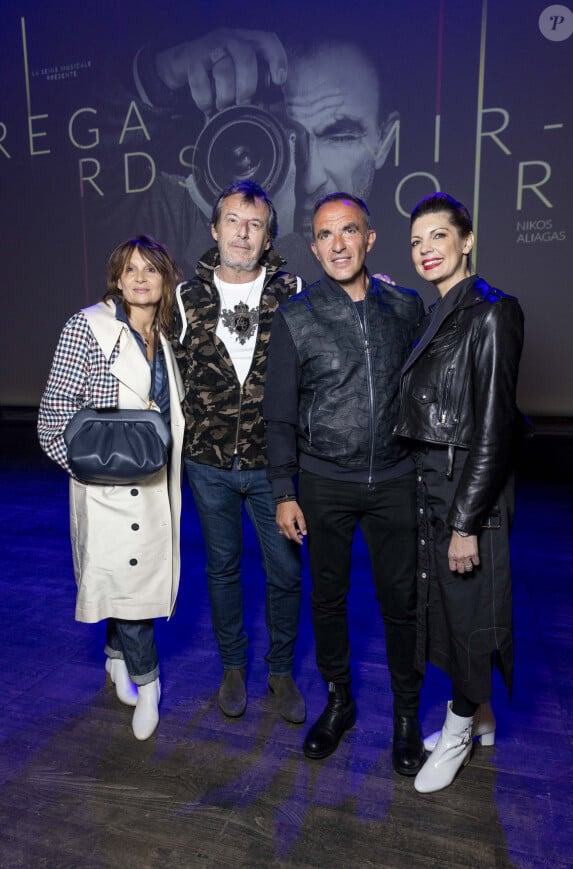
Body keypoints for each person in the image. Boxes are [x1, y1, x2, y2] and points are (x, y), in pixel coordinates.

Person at [264, 192, 426, 773]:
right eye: (326, 235)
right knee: (328, 599)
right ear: (314, 246)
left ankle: (408, 715)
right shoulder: (296, 317)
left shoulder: (407, 308)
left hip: (396, 480)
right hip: (324, 483)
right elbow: (278, 413)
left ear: (369, 238)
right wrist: (284, 491)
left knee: (401, 603)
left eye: (349, 231)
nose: (338, 245)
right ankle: (339, 702)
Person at [395, 192, 524, 794]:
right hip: (433, 483)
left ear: (466, 241)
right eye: (417, 241)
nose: (425, 250)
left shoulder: (493, 312)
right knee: (447, 613)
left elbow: (495, 428)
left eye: (438, 237)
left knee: (469, 616)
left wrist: (467, 521)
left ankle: (457, 732)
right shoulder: (439, 311)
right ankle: (484, 717)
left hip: (466, 489)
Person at [94, 31, 398, 285]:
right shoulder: (188, 213)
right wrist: (156, 78)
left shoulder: (409, 271)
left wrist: (282, 238)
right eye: (284, 137)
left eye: (339, 136)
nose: (308, 176)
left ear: (384, 141)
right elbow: (78, 201)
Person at [38, 235, 185, 742]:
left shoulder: (168, 336)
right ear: (117, 280)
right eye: (130, 270)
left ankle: (115, 658)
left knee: (130, 586)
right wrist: (85, 473)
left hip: (157, 484)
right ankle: (150, 686)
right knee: (132, 594)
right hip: (108, 492)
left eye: (151, 269)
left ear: (165, 280)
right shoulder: (88, 328)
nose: (140, 278)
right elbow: (52, 416)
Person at [172, 179, 305, 724]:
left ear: (268, 235)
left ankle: (280, 672)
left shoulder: (294, 292)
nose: (242, 233)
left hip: (272, 468)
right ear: (214, 228)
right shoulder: (183, 296)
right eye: (233, 221)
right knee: (223, 569)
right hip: (207, 464)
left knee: (286, 572)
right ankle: (232, 666)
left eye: (254, 225)